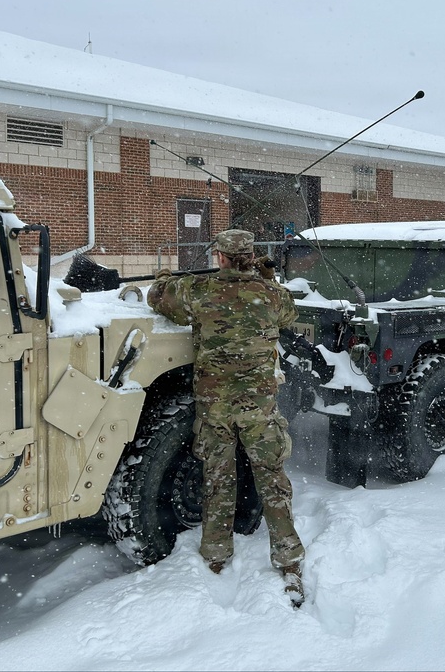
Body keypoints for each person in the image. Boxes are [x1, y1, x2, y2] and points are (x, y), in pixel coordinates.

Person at [147, 229, 306, 607]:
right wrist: (266, 277)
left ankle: (216, 552)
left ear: (219, 257)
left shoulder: (199, 291)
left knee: (218, 479)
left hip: (215, 405)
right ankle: (287, 554)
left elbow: (159, 298)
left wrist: (167, 278)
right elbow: (289, 312)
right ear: (250, 256)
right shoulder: (271, 294)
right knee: (272, 480)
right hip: (259, 408)